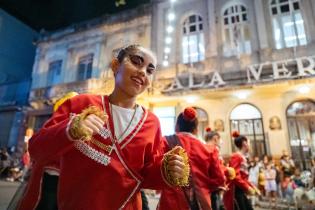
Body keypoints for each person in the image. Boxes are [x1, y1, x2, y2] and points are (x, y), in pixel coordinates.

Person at [18, 44, 189, 210]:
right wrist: (70, 129)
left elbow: (145, 177)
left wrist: (168, 171)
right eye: (136, 62)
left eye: (150, 70)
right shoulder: (80, 104)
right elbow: (36, 148)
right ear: (115, 65)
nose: (143, 72)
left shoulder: (152, 123)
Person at [158, 107, 225, 210]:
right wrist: (203, 186)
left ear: (176, 126)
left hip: (170, 203)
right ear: (196, 129)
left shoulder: (165, 142)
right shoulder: (210, 150)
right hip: (201, 204)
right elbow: (219, 179)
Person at [223, 131, 260, 210]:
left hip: (241, 190)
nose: (250, 145)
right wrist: (247, 187)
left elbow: (243, 177)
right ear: (244, 143)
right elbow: (235, 176)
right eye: (249, 142)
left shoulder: (242, 157)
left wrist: (252, 187)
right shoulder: (236, 156)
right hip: (236, 191)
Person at [204, 127, 235, 210]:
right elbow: (217, 170)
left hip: (205, 187)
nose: (221, 142)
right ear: (215, 138)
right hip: (214, 188)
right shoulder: (213, 149)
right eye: (219, 139)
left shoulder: (202, 148)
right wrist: (222, 182)